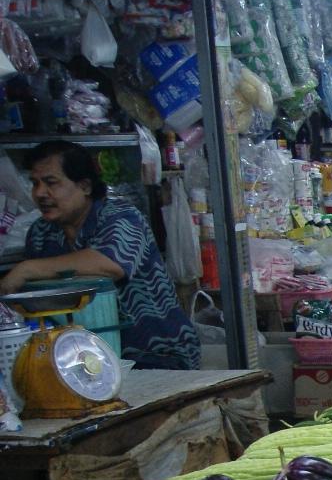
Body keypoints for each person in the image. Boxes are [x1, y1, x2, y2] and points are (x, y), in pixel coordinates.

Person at [0, 141, 198, 369]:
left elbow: (110, 264)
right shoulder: (40, 233)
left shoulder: (122, 216)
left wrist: (27, 269)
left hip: (156, 354)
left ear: (85, 186)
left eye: (51, 183)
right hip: (85, 360)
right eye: (35, 183)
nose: (39, 193)